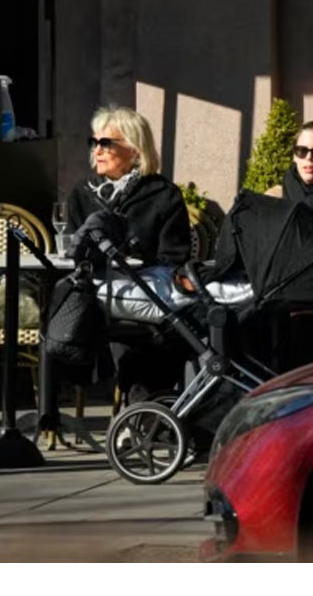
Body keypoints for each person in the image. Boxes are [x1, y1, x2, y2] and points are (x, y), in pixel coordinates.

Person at [66, 105, 191, 402]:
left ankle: (143, 408)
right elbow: (72, 249)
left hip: (145, 290)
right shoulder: (83, 193)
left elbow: (175, 256)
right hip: (92, 291)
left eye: (106, 143)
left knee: (161, 326)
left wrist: (137, 257)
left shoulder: (163, 195)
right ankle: (142, 411)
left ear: (135, 150)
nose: (97, 150)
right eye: (94, 142)